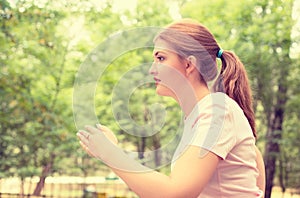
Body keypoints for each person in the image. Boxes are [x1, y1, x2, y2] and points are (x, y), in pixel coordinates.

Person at [77, 18, 265, 197]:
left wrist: (109, 153)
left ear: (189, 64)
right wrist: (113, 151)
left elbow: (175, 193)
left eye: (161, 58)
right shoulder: (202, 115)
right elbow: (254, 158)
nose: (151, 69)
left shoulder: (217, 110)